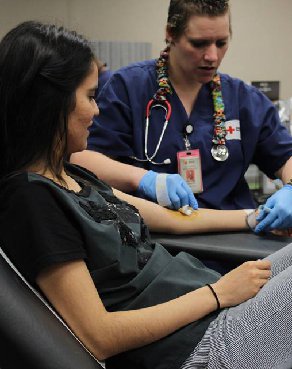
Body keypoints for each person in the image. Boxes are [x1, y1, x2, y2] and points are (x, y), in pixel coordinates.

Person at [1, 20, 292, 369]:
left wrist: (254, 217)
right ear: (51, 104)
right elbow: (99, 336)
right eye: (91, 97)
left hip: (213, 309)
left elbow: (174, 219)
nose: (97, 110)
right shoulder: (32, 200)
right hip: (203, 345)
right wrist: (219, 294)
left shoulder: (71, 174)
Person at [71, 0, 292, 234]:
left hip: (236, 243)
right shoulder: (128, 88)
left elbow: (286, 156)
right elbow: (80, 158)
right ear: (171, 34)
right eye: (199, 43)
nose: (212, 56)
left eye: (221, 43)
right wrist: (144, 179)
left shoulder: (244, 99)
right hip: (154, 242)